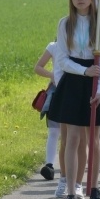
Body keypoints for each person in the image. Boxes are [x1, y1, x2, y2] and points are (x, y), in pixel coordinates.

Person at [47, 0, 100, 199]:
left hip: (96, 81)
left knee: (93, 139)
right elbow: (62, 59)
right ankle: (71, 192)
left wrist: (99, 89)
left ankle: (93, 188)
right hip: (75, 81)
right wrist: (84, 71)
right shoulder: (65, 23)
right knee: (72, 138)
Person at [33, 41, 60, 181]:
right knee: (54, 130)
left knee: (76, 132)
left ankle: (78, 163)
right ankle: (49, 165)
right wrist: (52, 75)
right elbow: (37, 67)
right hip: (55, 92)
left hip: (75, 91)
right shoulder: (53, 46)